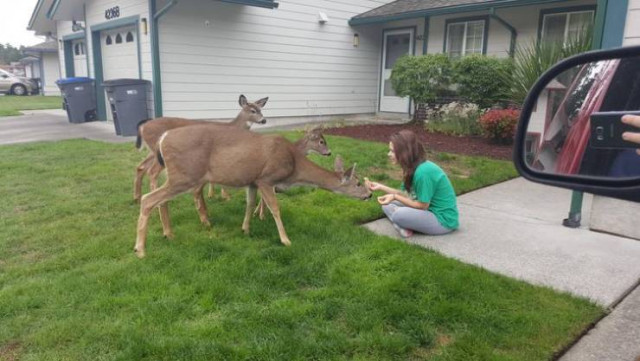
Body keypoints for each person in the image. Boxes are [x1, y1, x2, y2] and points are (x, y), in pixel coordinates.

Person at [364, 130, 459, 238]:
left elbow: (422, 206)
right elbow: (405, 194)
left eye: (392, 151)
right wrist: (380, 187)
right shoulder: (411, 168)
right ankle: (404, 225)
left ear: (404, 152)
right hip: (427, 211)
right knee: (387, 205)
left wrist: (395, 197)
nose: (389, 154)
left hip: (442, 221)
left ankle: (402, 223)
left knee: (399, 214)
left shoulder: (423, 172)